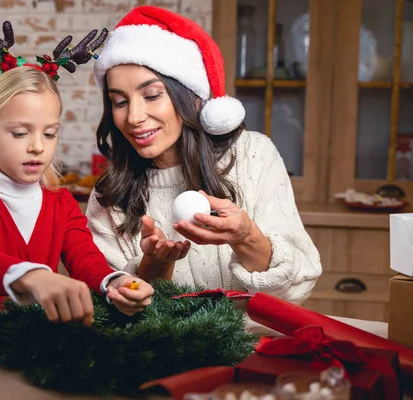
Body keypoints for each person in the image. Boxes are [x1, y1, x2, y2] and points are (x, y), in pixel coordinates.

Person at [0, 1, 153, 338]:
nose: (38, 146)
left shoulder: (59, 202)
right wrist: (34, 276)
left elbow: (84, 258)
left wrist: (115, 282)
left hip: (23, 344)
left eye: (50, 134)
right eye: (20, 133)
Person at [86, 5, 322, 305]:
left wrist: (246, 237)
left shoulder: (252, 156)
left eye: (152, 95)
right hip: (163, 349)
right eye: (119, 101)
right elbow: (113, 311)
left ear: (192, 98)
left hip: (256, 345)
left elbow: (296, 290)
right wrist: (155, 264)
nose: (133, 117)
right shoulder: (110, 194)